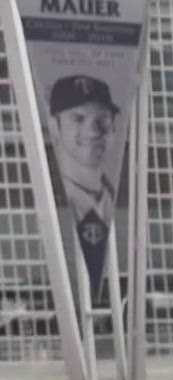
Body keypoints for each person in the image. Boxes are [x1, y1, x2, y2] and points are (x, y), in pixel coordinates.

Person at [44, 74, 119, 301]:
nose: (93, 130)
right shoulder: (48, 200)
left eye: (102, 119)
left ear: (114, 128)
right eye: (78, 118)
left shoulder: (113, 196)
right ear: (54, 127)